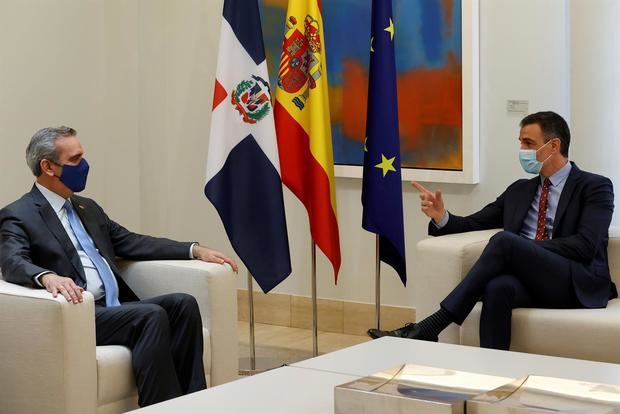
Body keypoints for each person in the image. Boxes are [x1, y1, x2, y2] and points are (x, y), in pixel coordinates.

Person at [0, 126, 239, 407]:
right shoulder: (19, 214)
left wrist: (194, 250)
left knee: (183, 305)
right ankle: (160, 408)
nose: (84, 165)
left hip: (114, 307)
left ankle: (195, 404)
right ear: (48, 166)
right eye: (75, 160)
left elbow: (132, 242)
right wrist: (47, 276)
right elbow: (11, 261)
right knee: (150, 315)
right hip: (80, 312)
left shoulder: (86, 208)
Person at [368, 111, 616, 350]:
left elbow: (585, 246)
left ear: (553, 146)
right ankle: (493, 373)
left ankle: (432, 326)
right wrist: (441, 217)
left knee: (506, 242)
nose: (523, 151)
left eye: (529, 143)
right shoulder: (520, 190)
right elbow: (472, 223)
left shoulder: (594, 187)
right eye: (520, 143)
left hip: (574, 281)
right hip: (532, 280)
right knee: (498, 287)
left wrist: (523, 249)